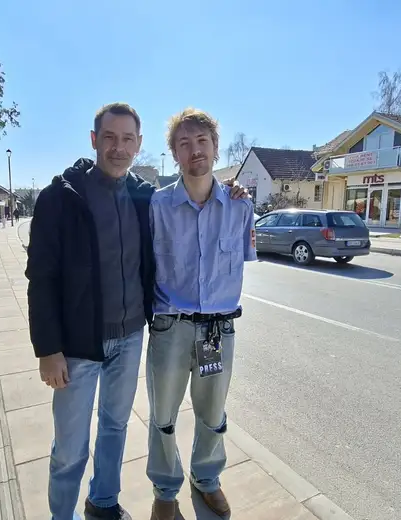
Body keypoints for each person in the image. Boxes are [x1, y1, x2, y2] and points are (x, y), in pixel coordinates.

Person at [26, 102, 247, 520]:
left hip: (129, 338)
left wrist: (236, 188)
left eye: (127, 139)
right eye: (110, 138)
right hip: (77, 344)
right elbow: (41, 276)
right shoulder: (61, 198)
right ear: (95, 141)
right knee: (70, 447)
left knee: (114, 427)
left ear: (139, 145)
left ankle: (103, 501)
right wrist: (47, 349)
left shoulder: (145, 198)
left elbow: (192, 196)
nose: (118, 147)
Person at [145, 108, 256, 520]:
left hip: (219, 330)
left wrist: (238, 191)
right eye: (185, 143)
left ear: (215, 146)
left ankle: (207, 479)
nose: (195, 151)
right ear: (174, 153)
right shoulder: (157, 206)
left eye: (202, 142)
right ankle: (165, 489)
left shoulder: (240, 208)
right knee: (162, 416)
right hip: (170, 328)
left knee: (213, 414)